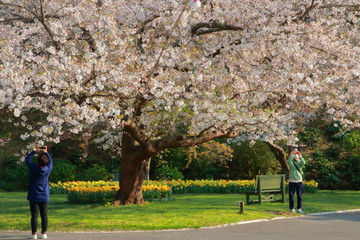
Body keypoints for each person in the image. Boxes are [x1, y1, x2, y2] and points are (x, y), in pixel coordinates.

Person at [25, 146, 53, 239]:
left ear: (37, 162)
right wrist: (46, 152)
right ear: (46, 163)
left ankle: (34, 234)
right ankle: (44, 233)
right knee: (44, 215)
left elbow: (27, 160)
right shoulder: (47, 169)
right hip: (44, 196)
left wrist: (34, 151)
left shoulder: (33, 168)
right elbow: (51, 162)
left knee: (34, 215)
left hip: (34, 196)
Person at [288, 148, 306, 214]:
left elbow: (304, 162)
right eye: (295, 157)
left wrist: (300, 155)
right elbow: (289, 161)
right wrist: (292, 154)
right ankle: (292, 208)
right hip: (292, 181)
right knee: (291, 195)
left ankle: (299, 208)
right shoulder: (291, 163)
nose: (296, 157)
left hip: (299, 181)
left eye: (297, 157)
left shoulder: (300, 163)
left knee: (299, 195)